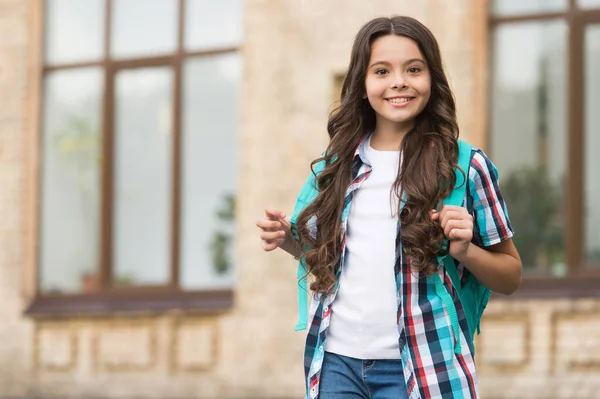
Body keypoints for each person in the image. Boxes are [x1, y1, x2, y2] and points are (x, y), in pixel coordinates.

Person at [256, 15, 522, 399]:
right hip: (336, 363)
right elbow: (328, 261)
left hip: (423, 363)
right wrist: (287, 240)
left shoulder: (464, 167)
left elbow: (510, 276)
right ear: (363, 86)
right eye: (382, 71)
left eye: (413, 69)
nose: (399, 81)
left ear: (432, 79)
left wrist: (466, 251)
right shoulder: (337, 165)